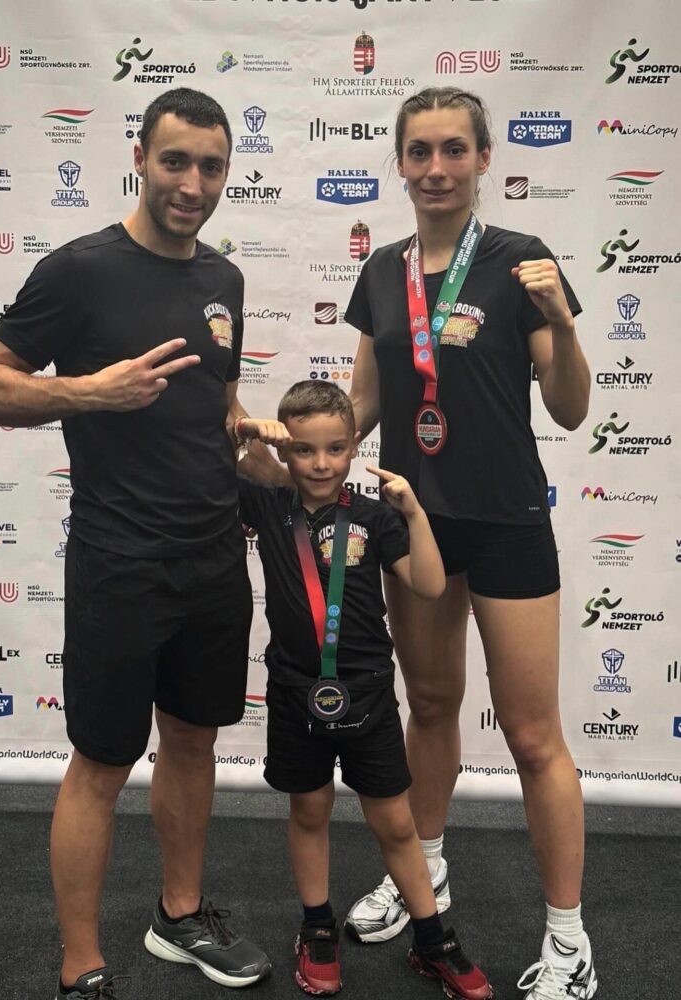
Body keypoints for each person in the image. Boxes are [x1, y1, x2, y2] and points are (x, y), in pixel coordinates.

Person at [0, 88, 278, 1000]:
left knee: (193, 743)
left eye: (211, 166)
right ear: (140, 156)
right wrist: (89, 393)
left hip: (215, 558)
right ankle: (80, 966)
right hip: (118, 562)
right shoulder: (80, 271)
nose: (193, 183)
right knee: (100, 763)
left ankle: (180, 918)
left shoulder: (225, 281)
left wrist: (250, 433)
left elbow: (210, 401)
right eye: (176, 161)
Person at [343, 87, 596, 1000]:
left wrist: (561, 323)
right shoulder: (381, 274)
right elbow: (366, 404)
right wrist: (294, 441)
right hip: (417, 520)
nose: (437, 168)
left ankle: (569, 936)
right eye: (420, 151)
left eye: (455, 150)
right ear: (401, 163)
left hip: (508, 521)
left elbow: (569, 406)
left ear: (484, 159)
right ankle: (426, 874)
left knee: (533, 736)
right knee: (434, 706)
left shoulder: (524, 262)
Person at [234, 381, 492, 1000]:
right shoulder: (268, 506)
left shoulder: (374, 517)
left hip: (369, 691)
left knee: (396, 824)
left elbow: (429, 585)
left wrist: (414, 512)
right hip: (295, 689)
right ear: (287, 453)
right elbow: (223, 444)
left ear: (354, 447)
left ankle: (433, 939)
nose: (320, 464)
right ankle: (316, 929)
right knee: (309, 809)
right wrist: (248, 434)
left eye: (334, 449)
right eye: (303, 451)